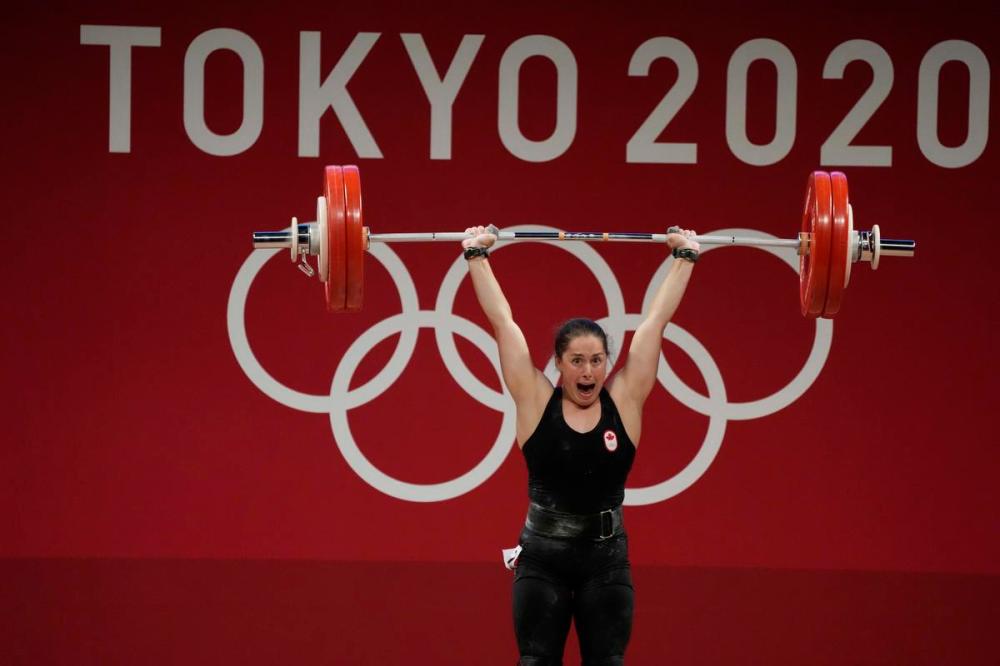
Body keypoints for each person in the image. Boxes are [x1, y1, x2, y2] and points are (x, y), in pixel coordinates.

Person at [461, 225, 701, 666]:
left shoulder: (625, 402)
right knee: (535, 662)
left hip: (605, 562)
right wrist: (476, 255)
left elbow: (655, 323)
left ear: (607, 363)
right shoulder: (534, 400)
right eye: (577, 361)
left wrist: (684, 257)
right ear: (558, 364)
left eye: (596, 360)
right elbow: (502, 322)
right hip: (542, 560)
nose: (588, 371)